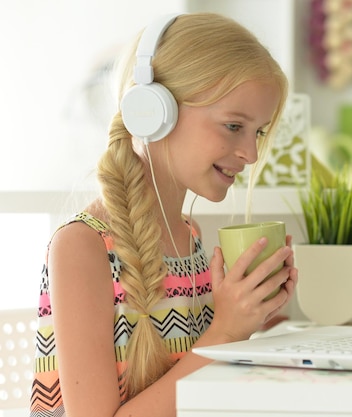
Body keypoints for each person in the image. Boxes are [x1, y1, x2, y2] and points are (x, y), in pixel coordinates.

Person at [30, 12, 298, 417]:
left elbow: (189, 376)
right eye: (232, 126)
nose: (251, 153)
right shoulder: (81, 247)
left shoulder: (187, 236)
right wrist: (226, 331)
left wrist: (255, 320)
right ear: (153, 111)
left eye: (257, 132)